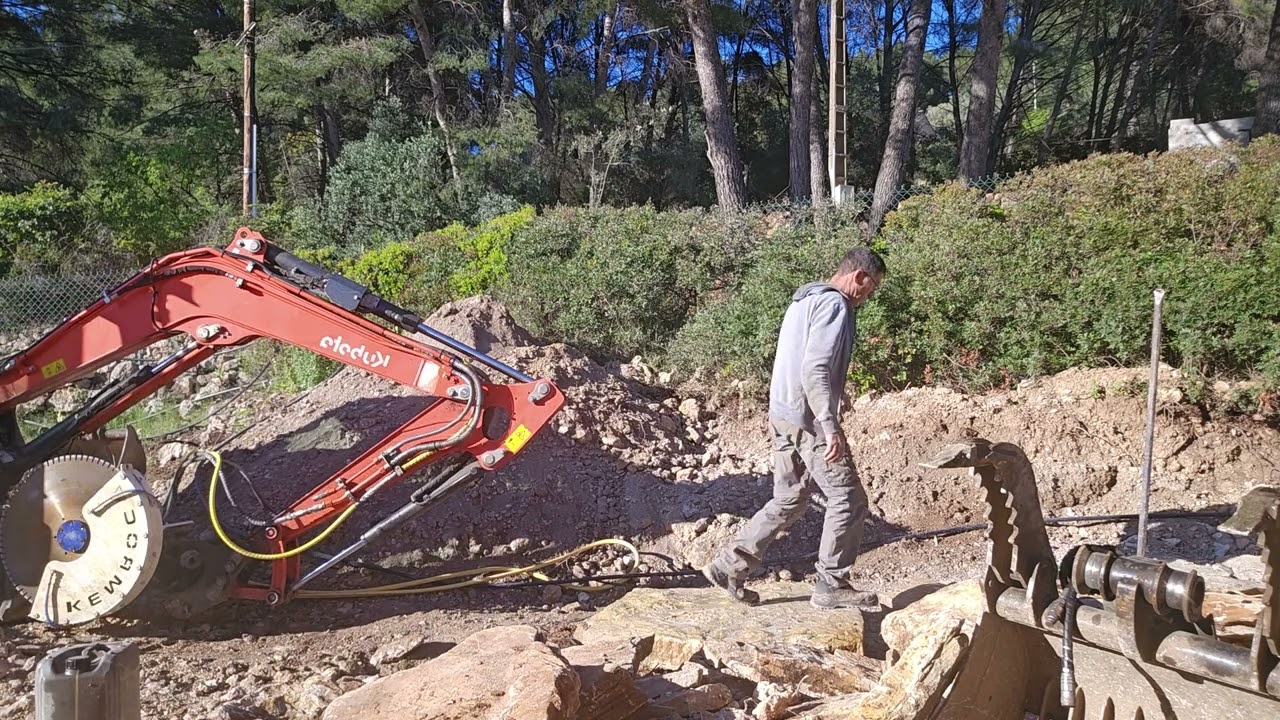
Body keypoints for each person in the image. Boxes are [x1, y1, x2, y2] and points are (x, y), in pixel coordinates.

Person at [703, 247, 885, 610]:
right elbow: (814, 368)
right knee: (847, 499)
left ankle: (729, 566)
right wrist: (829, 424)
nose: (869, 296)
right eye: (872, 287)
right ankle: (832, 583)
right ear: (859, 277)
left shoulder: (803, 301)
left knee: (789, 497)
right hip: (807, 419)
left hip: (782, 413)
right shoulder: (835, 305)